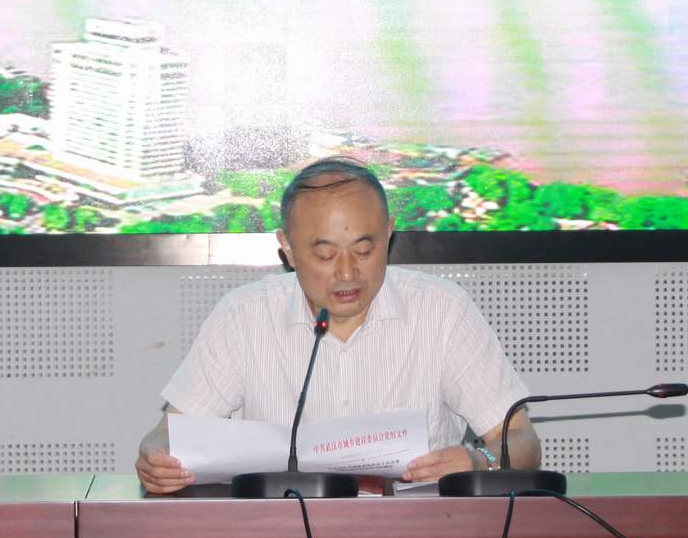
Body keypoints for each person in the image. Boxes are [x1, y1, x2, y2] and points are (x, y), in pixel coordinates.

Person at [136, 157, 542, 492]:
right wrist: (157, 459)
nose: (347, 273)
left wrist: (479, 460)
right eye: (325, 256)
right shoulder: (244, 316)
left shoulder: (443, 310)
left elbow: (521, 440)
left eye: (364, 250)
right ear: (287, 247)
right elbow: (169, 434)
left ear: (389, 234)